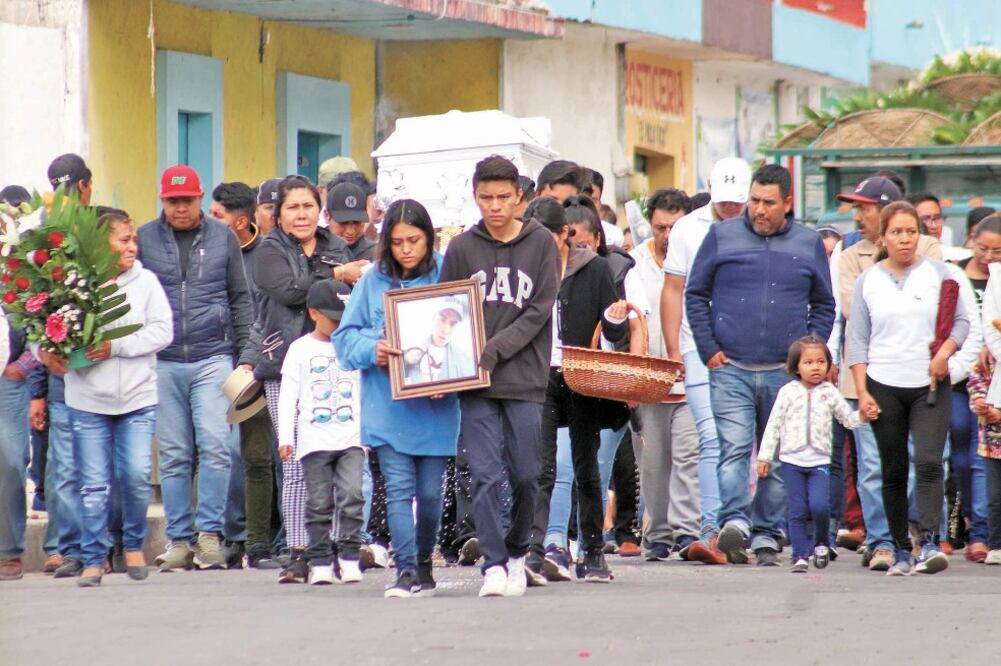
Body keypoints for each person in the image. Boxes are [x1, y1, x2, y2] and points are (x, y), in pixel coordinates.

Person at [686, 164, 835, 566]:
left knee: (779, 455)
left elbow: (824, 304)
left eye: (768, 203)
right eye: (754, 200)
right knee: (733, 450)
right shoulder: (721, 235)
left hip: (785, 375)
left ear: (788, 203)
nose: (758, 209)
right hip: (729, 366)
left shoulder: (808, 243)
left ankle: (767, 531)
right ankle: (735, 522)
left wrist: (810, 355)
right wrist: (708, 348)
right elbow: (695, 293)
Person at [439, 155, 560, 597]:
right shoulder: (461, 248)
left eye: (503, 197)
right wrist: (442, 368)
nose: (494, 206)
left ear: (519, 197)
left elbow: (539, 310)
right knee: (484, 474)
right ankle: (493, 563)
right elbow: (446, 307)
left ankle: (515, 550)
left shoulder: (541, 243)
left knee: (528, 472)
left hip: (525, 377)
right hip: (474, 382)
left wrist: (493, 349)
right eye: (485, 197)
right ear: (475, 196)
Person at [333, 199, 460, 598]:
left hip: (437, 404)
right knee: (399, 489)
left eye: (414, 240)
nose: (406, 249)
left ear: (429, 238)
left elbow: (470, 334)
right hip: (387, 405)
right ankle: (405, 570)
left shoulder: (448, 273)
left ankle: (424, 561)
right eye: (397, 241)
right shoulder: (372, 280)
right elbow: (344, 339)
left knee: (430, 493)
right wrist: (376, 347)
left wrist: (454, 375)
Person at [40, 209, 173, 586]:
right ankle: (94, 557)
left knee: (134, 475)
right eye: (123, 240)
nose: (133, 246)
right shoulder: (72, 284)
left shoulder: (146, 282)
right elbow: (43, 333)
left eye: (134, 239)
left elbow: (163, 332)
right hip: (87, 400)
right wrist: (45, 355)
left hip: (137, 397)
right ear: (100, 244)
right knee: (93, 483)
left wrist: (116, 346)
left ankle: (132, 544)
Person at [138, 165, 254, 572]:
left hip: (212, 356)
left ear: (200, 199)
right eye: (173, 201)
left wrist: (246, 356)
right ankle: (179, 540)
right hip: (163, 358)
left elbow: (241, 297)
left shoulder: (223, 237)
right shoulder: (144, 239)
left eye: (187, 200)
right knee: (172, 454)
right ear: (163, 201)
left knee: (216, 446)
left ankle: (208, 537)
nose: (181, 208)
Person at [237, 174, 352, 583]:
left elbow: (344, 298)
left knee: (339, 454)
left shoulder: (335, 244)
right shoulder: (269, 250)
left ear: (318, 209)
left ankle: (338, 546)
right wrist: (338, 272)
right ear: (279, 214)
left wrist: (338, 271)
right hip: (285, 365)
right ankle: (300, 549)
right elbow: (292, 292)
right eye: (292, 207)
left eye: (307, 206)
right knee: (297, 460)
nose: (301, 214)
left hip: (336, 362)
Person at [847, 201, 970, 576]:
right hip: (884, 383)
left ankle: (930, 540)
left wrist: (944, 353)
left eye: (911, 232)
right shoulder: (869, 280)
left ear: (921, 235)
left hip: (929, 383)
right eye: (897, 232)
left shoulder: (940, 274)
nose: (904, 240)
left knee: (930, 461)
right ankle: (899, 546)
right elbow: (857, 340)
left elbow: (961, 322)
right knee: (893, 467)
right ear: (883, 237)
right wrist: (862, 391)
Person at [835, 175, 942, 571]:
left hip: (920, 378)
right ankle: (881, 541)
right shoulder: (850, 256)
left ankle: (918, 537)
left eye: (865, 207)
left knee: (921, 461)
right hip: (868, 377)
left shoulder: (930, 249)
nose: (858, 215)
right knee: (873, 465)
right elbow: (854, 312)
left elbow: (941, 303)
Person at [524, 196, 627, 583]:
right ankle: (535, 551)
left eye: (544, 237)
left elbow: (614, 329)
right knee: (542, 467)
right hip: (539, 376)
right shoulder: (526, 268)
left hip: (583, 375)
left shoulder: (595, 267)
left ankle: (593, 552)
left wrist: (614, 320)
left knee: (587, 466)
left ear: (564, 234)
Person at [661, 157, 751, 564]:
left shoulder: (761, 225)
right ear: (709, 188)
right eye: (724, 200)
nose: (730, 208)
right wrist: (673, 349)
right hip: (697, 348)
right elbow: (673, 289)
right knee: (712, 437)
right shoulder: (687, 228)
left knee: (741, 441)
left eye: (738, 201)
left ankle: (744, 524)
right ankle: (711, 528)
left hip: (750, 349)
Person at [628, 188, 703, 562]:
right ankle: (657, 534)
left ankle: (688, 532)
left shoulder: (700, 258)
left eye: (675, 227)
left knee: (689, 456)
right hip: (649, 379)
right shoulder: (634, 263)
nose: (667, 235)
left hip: (690, 375)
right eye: (660, 227)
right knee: (654, 463)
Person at [210, 181, 279, 568]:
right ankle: (230, 536)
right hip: (218, 363)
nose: (209, 219)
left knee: (258, 455)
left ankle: (262, 539)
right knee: (221, 452)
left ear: (239, 221)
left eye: (216, 214)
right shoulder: (212, 254)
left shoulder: (266, 255)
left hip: (258, 366)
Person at [278, 280, 364, 585]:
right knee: (318, 502)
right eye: (333, 318)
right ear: (314, 313)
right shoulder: (299, 349)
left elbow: (367, 390)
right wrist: (286, 437)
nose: (339, 324)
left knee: (353, 495)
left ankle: (351, 556)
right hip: (314, 440)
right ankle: (320, 561)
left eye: (344, 317)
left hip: (352, 437)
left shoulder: (354, 345)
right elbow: (288, 395)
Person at [756, 336, 865, 573]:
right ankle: (800, 555)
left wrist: (864, 415)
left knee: (819, 506)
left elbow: (848, 419)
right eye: (808, 362)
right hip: (792, 460)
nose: (815, 367)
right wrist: (764, 457)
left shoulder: (830, 392)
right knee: (797, 509)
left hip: (819, 461)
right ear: (796, 366)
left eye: (820, 362)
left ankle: (823, 542)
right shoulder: (787, 392)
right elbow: (773, 425)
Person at [948, 216, 1001, 562]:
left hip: (991, 376)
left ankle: (981, 533)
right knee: (961, 458)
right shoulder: (956, 275)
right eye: (983, 249)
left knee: (984, 459)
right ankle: (963, 519)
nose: (989, 257)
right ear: (971, 242)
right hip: (957, 376)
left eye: (997, 251)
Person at [970, 267, 1001, 564]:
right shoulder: (988, 352)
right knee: (994, 494)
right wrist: (982, 402)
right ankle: (996, 543)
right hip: (993, 437)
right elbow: (977, 380)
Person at [402, 298, 474, 385]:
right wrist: (404, 360)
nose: (446, 330)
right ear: (433, 318)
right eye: (442, 320)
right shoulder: (411, 348)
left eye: (453, 324)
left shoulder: (465, 360)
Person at [325, 181, 376, 265]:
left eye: (357, 222)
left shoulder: (377, 254)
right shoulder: (313, 250)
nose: (350, 231)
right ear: (327, 216)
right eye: (343, 223)